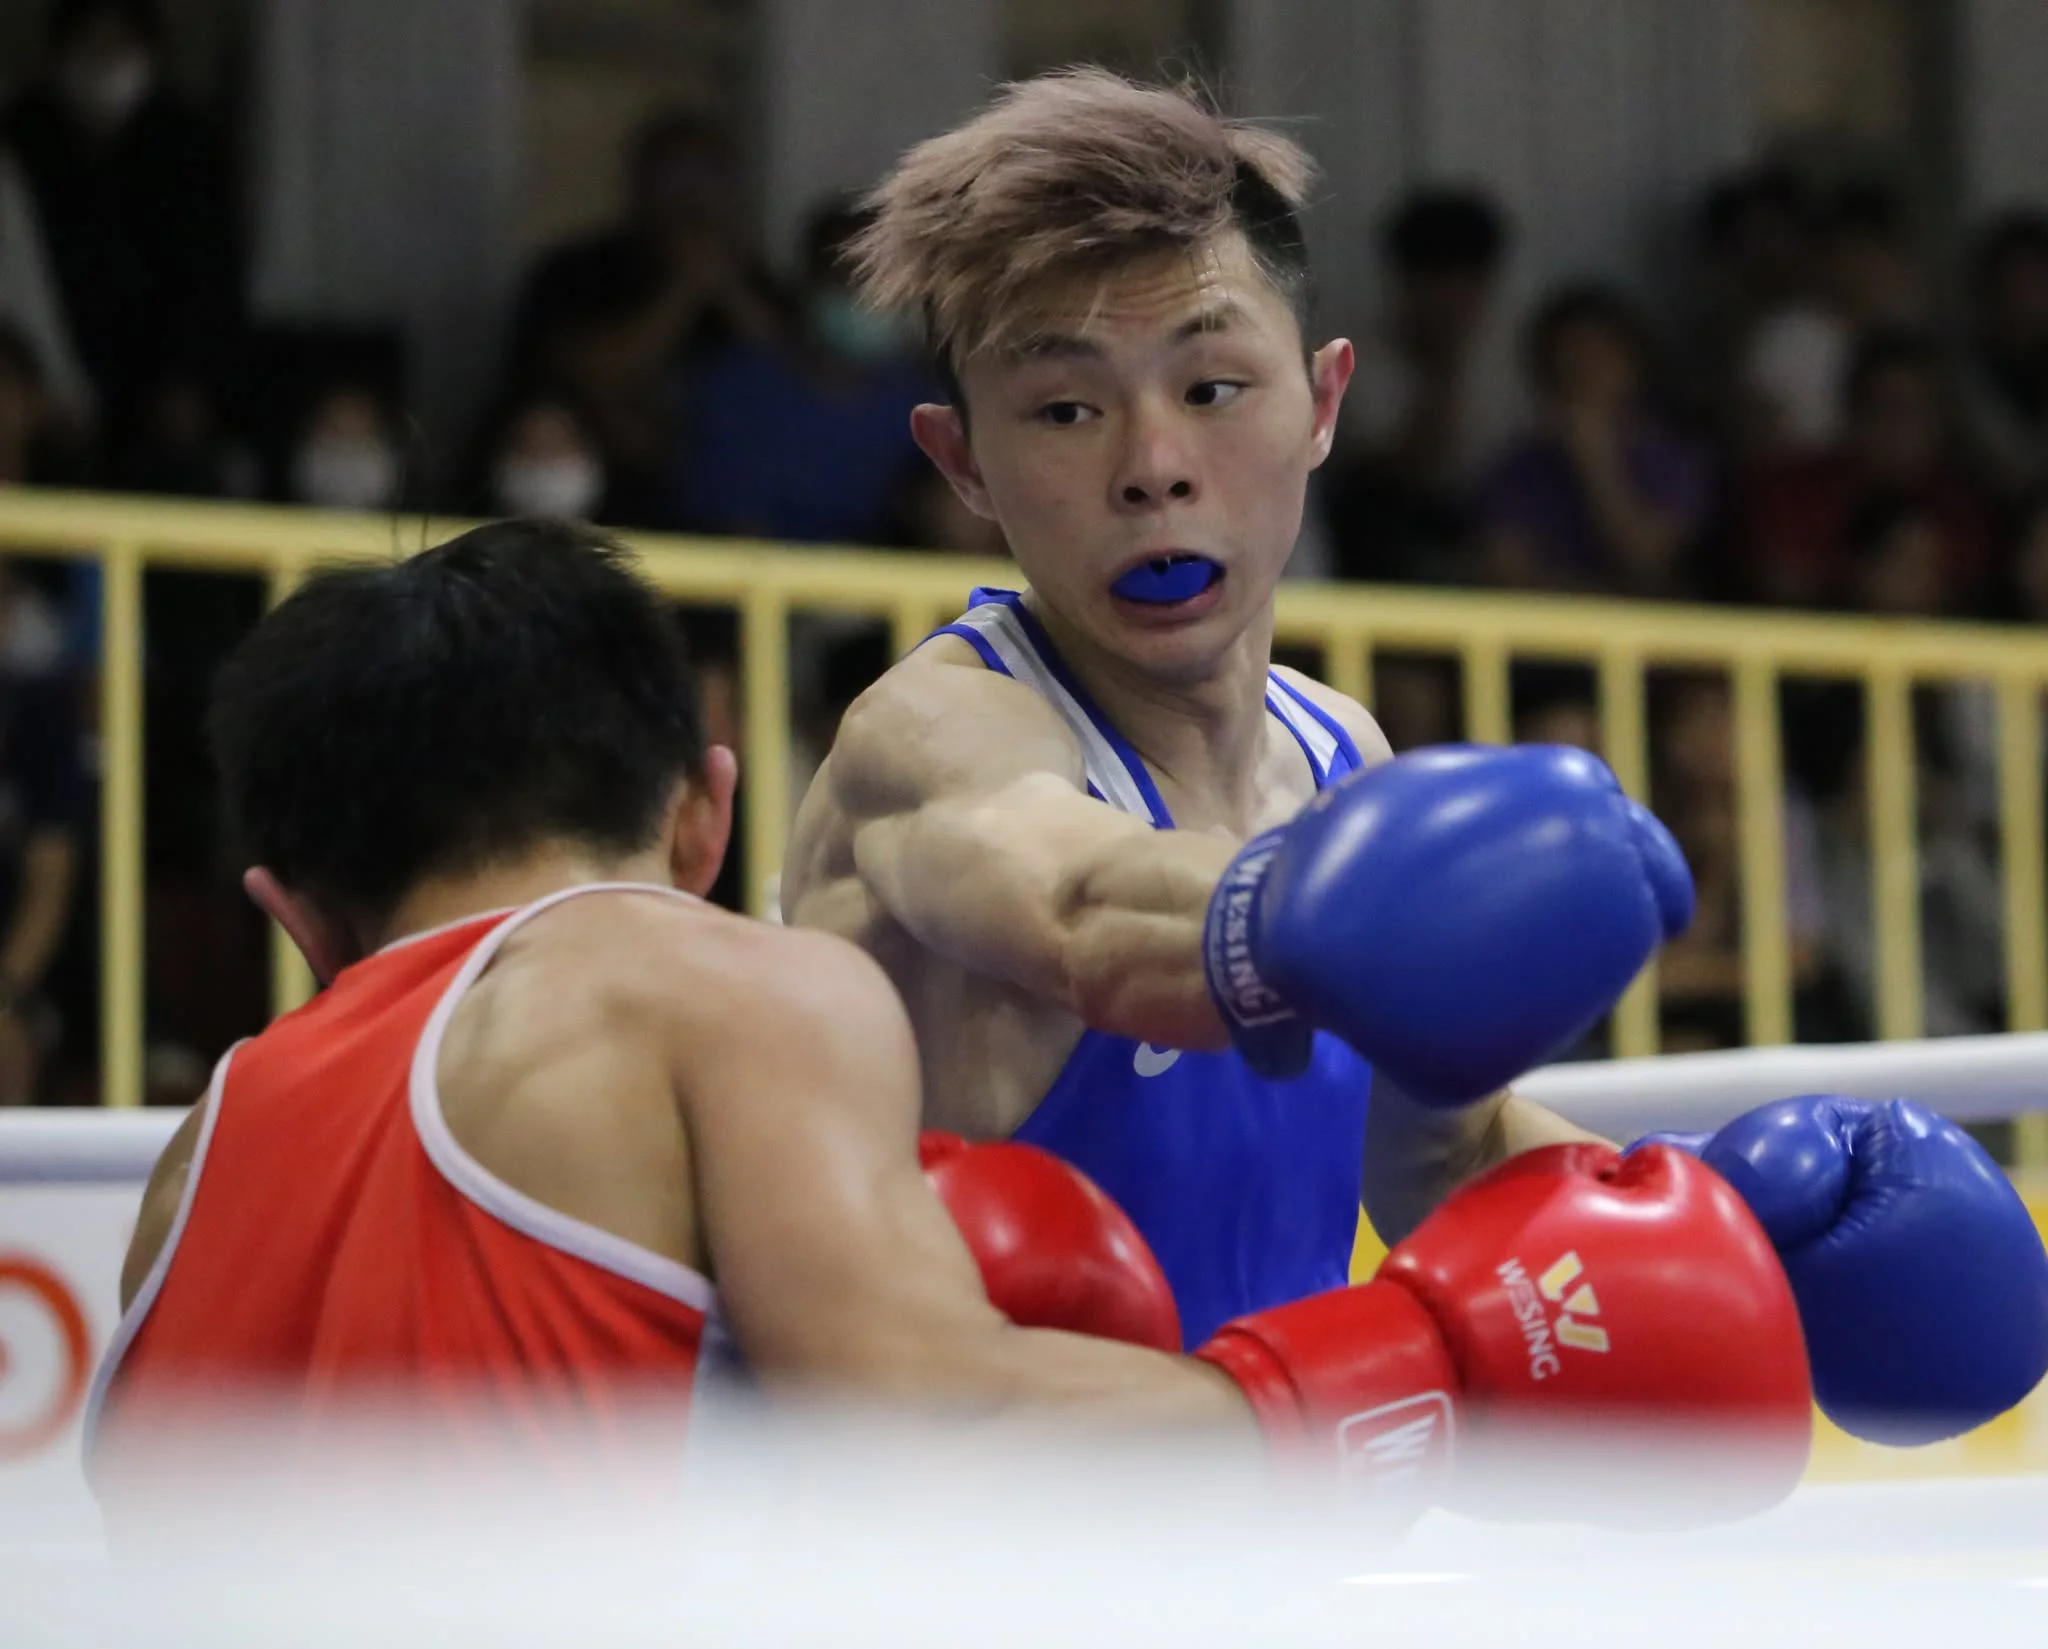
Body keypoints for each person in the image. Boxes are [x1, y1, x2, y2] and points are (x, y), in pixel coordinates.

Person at [84, 519, 1817, 1539]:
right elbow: (934, 1428)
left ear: (290, 916)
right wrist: (1427, 1368)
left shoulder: (198, 1148)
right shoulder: (721, 986)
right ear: (708, 817)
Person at [783, 68, 2048, 1441]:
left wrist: (1736, 1226)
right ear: (961, 462)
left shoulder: (1340, 752)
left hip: (1267, 1551)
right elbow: (1077, 907)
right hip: (964, 1571)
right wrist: (1294, 917)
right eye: (1065, 411)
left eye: (1213, 386)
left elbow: (1427, 1153)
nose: (1152, 465)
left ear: (1324, 403)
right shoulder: (927, 731)